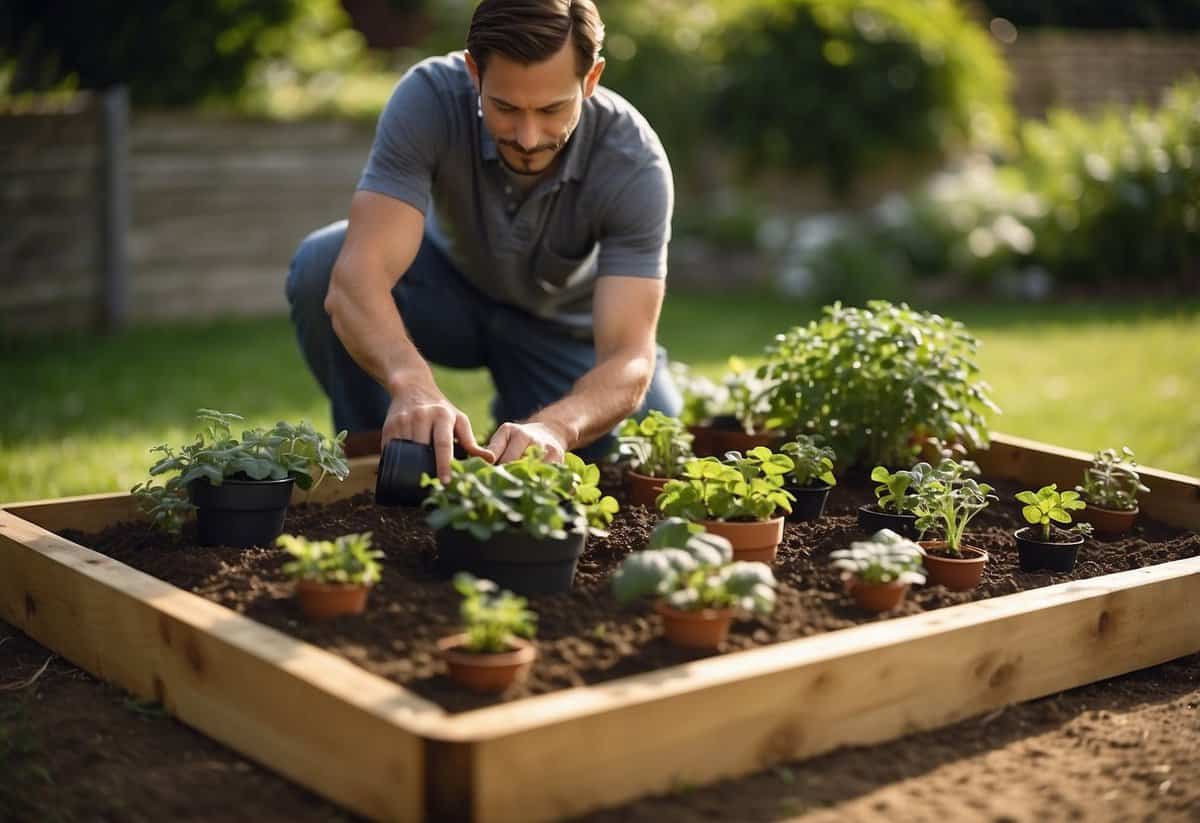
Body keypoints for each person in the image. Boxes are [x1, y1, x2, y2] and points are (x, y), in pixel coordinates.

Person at [286, 0, 681, 482]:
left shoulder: (633, 163)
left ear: (591, 79)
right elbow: (356, 279)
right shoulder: (429, 97)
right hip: (448, 294)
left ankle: (525, 418)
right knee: (322, 262)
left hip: (558, 329)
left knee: (649, 427)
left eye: (553, 109)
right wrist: (412, 385)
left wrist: (556, 427)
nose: (529, 136)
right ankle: (382, 456)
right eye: (506, 108)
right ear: (474, 73)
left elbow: (627, 356)